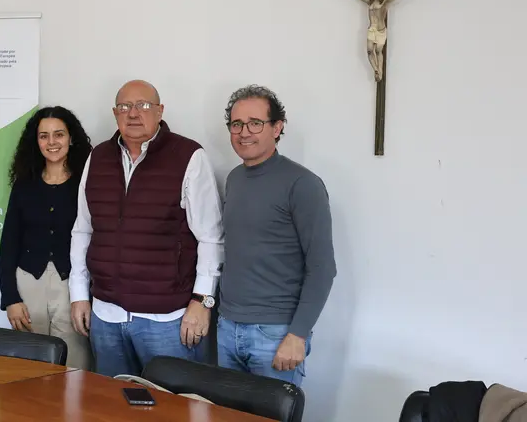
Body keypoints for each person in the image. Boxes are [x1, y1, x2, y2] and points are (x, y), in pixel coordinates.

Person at [69, 80, 224, 377]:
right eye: (125, 107)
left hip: (167, 319)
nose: (133, 113)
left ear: (160, 111)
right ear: (115, 113)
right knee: (114, 407)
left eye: (143, 105)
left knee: (175, 409)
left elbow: (211, 237)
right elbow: (83, 230)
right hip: (106, 316)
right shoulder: (97, 158)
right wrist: (79, 294)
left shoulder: (189, 156)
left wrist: (202, 301)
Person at [217, 84, 336, 386]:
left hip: (275, 334)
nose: (244, 132)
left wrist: (297, 334)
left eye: (255, 123)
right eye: (236, 124)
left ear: (277, 127)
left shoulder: (302, 184)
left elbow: (322, 268)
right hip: (227, 327)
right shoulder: (234, 179)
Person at [0, 106, 93, 369]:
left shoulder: (89, 182)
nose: (52, 142)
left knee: (74, 366)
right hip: (28, 284)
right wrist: (10, 299)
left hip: (73, 286)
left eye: (59, 134)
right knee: (30, 368)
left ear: (71, 138)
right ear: (35, 141)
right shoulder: (24, 184)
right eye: (44, 136)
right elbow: (9, 242)